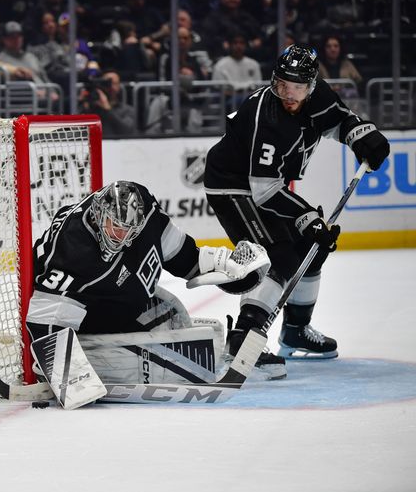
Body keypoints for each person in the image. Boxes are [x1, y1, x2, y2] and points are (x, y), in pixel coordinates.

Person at [203, 44, 390, 373]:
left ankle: (295, 332)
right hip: (232, 185)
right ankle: (243, 340)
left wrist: (363, 135)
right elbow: (264, 191)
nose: (289, 94)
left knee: (311, 249)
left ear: (312, 85)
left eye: (298, 87)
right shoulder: (268, 118)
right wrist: (308, 218)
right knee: (276, 255)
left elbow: (339, 121)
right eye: (282, 85)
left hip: (263, 185)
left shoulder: (318, 95)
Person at [25, 181, 270, 390]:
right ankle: (102, 364)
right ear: (100, 215)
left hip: (120, 300)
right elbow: (45, 322)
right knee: (160, 364)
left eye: (129, 230)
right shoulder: (71, 248)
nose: (121, 238)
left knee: (176, 319)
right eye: (116, 228)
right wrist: (70, 379)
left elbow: (183, 256)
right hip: (86, 320)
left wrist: (227, 267)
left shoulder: (146, 211)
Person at [79, 69, 137, 138]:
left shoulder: (127, 110)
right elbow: (74, 131)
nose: (111, 87)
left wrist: (108, 110)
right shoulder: (90, 108)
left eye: (114, 83)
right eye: (107, 83)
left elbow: (128, 131)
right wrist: (82, 105)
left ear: (119, 86)